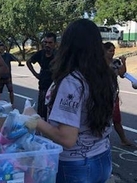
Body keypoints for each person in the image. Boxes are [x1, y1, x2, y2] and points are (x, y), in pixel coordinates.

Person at [24, 19, 118, 182]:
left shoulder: (72, 82)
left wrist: (33, 119)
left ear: (68, 45)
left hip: (76, 166)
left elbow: (67, 138)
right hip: (103, 157)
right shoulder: (107, 76)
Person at [104, 42, 133, 146]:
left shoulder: (115, 62)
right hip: (101, 95)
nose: (112, 53)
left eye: (113, 50)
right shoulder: (99, 63)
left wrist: (123, 62)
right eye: (110, 51)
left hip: (113, 95)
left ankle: (123, 139)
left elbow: (122, 74)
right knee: (102, 119)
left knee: (116, 118)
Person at [26, 32, 57, 120]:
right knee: (41, 114)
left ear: (55, 44)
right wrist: (35, 74)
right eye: (45, 42)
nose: (47, 45)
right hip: (43, 87)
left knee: (53, 113)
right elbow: (29, 62)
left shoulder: (59, 55)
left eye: (50, 43)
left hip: (55, 88)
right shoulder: (40, 54)